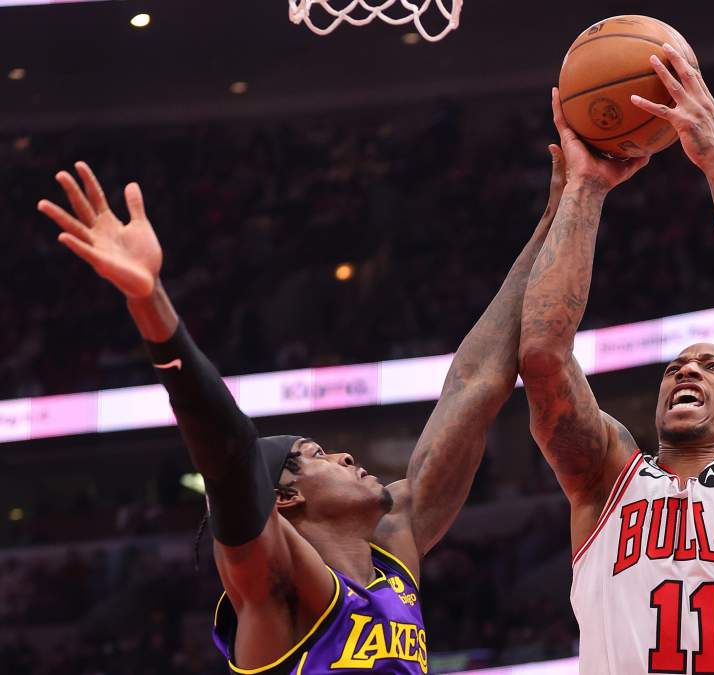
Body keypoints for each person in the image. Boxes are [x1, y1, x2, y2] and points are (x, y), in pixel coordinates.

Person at [36, 151, 566, 675]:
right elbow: (227, 453)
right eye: (317, 455)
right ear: (284, 498)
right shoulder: (278, 586)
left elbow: (474, 386)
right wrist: (151, 301)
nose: (345, 455)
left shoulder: (394, 547)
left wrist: (557, 216)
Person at [518, 44, 714, 674]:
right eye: (674, 369)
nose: (685, 370)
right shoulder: (606, 479)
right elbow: (542, 355)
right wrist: (585, 189)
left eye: (712, 367)